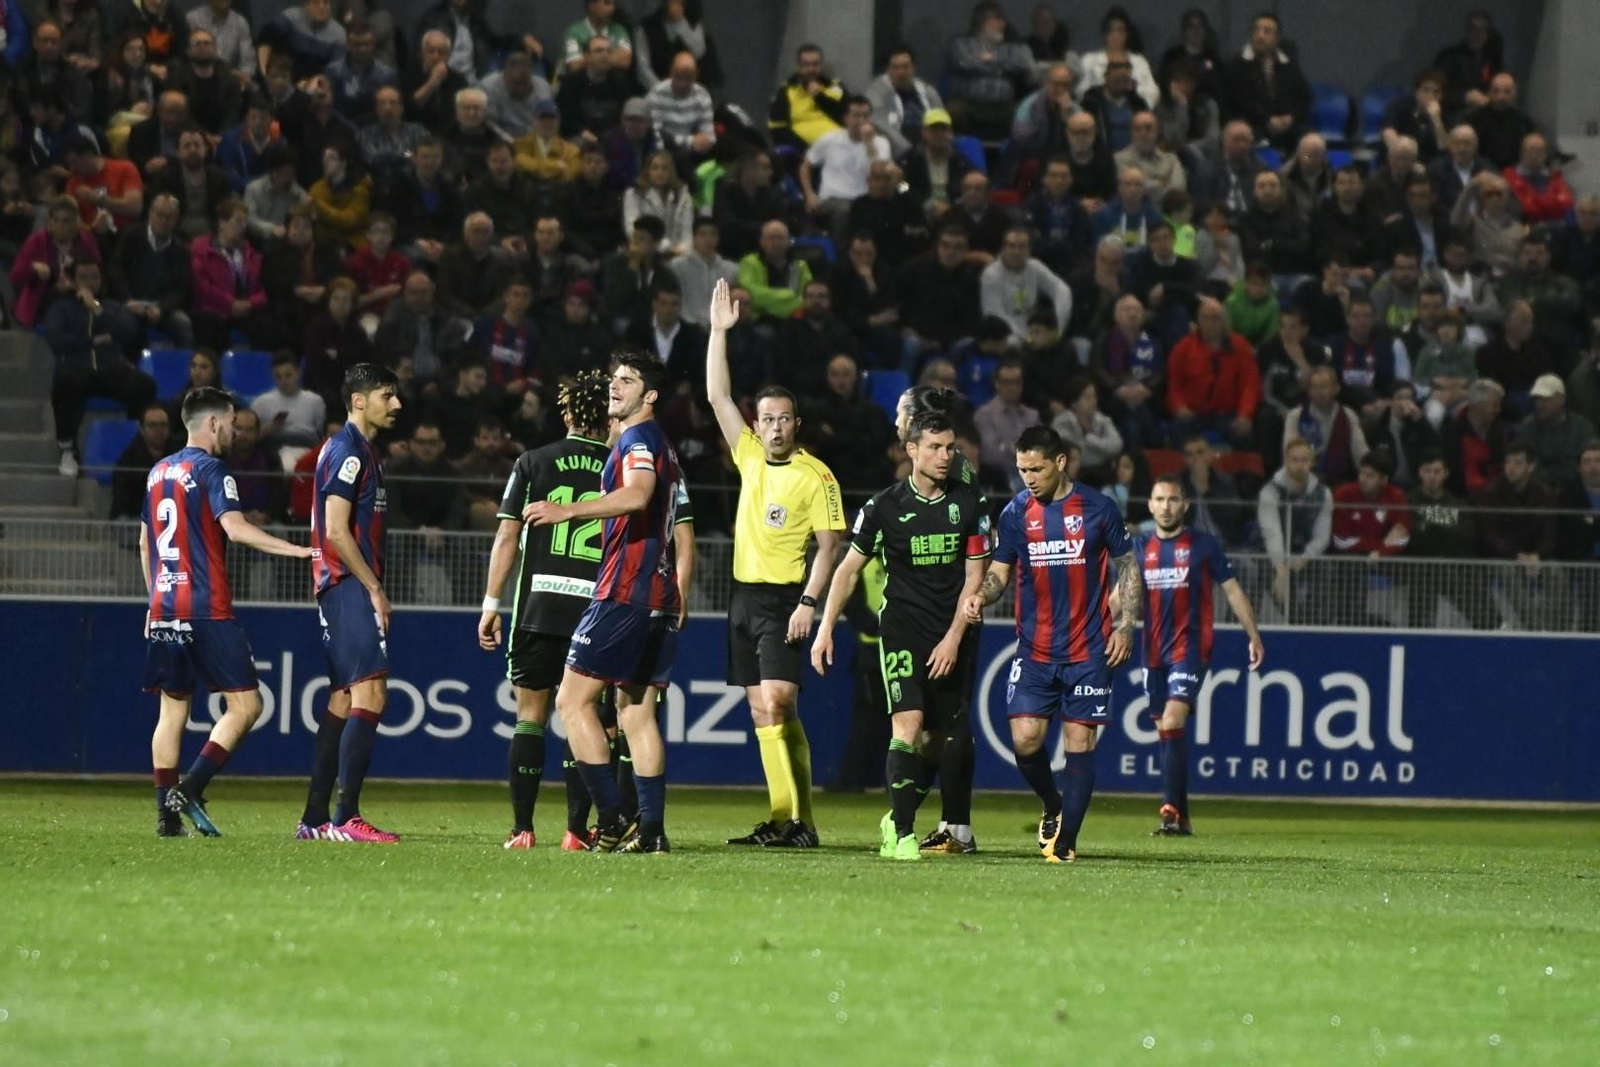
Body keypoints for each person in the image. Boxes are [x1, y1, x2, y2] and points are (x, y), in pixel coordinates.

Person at [700, 281, 845, 847]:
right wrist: (718, 333)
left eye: (785, 419)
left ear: (796, 424)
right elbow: (717, 395)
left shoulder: (817, 476)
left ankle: (796, 822)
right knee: (764, 711)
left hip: (785, 600)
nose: (776, 427)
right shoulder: (750, 456)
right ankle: (789, 819)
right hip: (743, 597)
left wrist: (809, 603)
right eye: (768, 419)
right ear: (756, 425)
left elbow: (830, 546)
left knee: (780, 701)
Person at [522, 351, 685, 854]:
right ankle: (651, 832)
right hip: (658, 594)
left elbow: (637, 495)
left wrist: (567, 510)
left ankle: (612, 820)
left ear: (650, 395)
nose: (616, 386)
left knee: (571, 702)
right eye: (615, 378)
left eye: (628, 380)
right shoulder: (658, 442)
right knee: (635, 713)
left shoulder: (639, 440)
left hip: (624, 591)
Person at [812, 411, 990, 861]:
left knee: (938, 738)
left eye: (950, 447)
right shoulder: (883, 507)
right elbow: (847, 571)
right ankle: (905, 835)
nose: (945, 456)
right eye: (934, 447)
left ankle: (897, 816)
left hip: (950, 633)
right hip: (902, 632)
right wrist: (825, 627)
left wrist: (953, 638)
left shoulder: (969, 503)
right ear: (912, 450)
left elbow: (976, 577)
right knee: (907, 726)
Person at [961, 424, 1138, 863]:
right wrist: (981, 595)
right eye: (1022, 470)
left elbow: (1129, 567)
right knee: (1025, 740)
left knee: (1080, 742)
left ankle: (1067, 842)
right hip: (1035, 650)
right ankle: (1052, 804)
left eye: (1036, 469)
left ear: (1060, 462)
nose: (1028, 478)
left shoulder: (1098, 508)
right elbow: (1001, 571)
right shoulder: (1015, 513)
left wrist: (1126, 625)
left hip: (1089, 648)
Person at [144, 387, 314, 837]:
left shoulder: (158, 472)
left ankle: (166, 818)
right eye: (233, 424)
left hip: (164, 605)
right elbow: (236, 530)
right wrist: (296, 550)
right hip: (205, 605)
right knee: (247, 704)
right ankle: (191, 787)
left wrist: (153, 599)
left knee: (171, 713)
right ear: (214, 423)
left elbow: (146, 543)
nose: (236, 433)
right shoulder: (212, 469)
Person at [478, 382, 632, 847]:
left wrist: (491, 603)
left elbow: (507, 537)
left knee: (530, 716)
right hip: (595, 611)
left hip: (538, 606)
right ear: (608, 418)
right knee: (584, 716)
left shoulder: (532, 461)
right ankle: (575, 831)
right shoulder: (621, 468)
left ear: (566, 416)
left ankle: (522, 829)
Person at [295, 363, 404, 844]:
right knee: (371, 693)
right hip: (347, 582)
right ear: (359, 400)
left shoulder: (355, 450)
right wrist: (373, 588)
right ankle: (346, 817)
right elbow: (337, 530)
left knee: (343, 697)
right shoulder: (349, 452)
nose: (396, 404)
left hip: (339, 582)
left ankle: (315, 818)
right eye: (387, 395)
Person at [1137, 474, 1265, 835]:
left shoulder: (1203, 546)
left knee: (1172, 720)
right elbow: (1121, 596)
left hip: (1191, 647)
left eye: (1173, 500)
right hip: (1152, 651)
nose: (1166, 507)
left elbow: (1233, 591)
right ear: (1150, 505)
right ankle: (1182, 818)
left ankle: (1169, 809)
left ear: (1185, 505)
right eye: (1159, 500)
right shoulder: (1140, 547)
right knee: (1166, 729)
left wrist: (1253, 634)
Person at [1405, 449, 1490, 628]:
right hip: (1419, 566)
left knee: (1459, 575)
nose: (1432, 476)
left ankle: (1489, 624)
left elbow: (1466, 537)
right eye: (1427, 471)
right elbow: (1412, 536)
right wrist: (1445, 529)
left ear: (1446, 474)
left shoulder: (1458, 504)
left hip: (1452, 565)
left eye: (1437, 471)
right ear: (1420, 473)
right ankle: (1422, 631)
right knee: (1429, 573)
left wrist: (1429, 526)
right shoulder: (1408, 502)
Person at [1166, 297, 1260, 449]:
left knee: (1245, 434)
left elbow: (1250, 385)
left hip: (1228, 414)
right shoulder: (1183, 348)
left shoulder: (1241, 346)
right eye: (1206, 318)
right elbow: (1174, 385)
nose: (1211, 323)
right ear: (1198, 320)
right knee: (1177, 429)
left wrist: (1245, 415)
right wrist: (1179, 407)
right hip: (1193, 414)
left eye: (1216, 318)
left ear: (1225, 321)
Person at [1257, 437, 1334, 622]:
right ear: (1286, 460)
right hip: (1273, 554)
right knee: (1267, 571)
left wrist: (1306, 556)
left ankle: (1316, 623)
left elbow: (1322, 536)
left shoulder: (1324, 493)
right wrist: (1280, 568)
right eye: (1295, 459)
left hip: (1304, 554)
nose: (1300, 465)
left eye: (1305, 460)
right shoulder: (1270, 492)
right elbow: (1272, 533)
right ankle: (1296, 621)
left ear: (1312, 462)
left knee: (1326, 568)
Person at [800, 96, 890, 248]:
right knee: (845, 211)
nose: (861, 120)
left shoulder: (881, 143)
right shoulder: (830, 139)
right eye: (856, 115)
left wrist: (869, 144)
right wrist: (809, 194)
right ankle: (840, 258)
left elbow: (880, 173)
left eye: (866, 116)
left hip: (866, 199)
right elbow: (805, 166)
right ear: (846, 118)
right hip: (833, 199)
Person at [944, 3, 1035, 140]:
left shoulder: (1012, 47)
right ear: (982, 22)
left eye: (1003, 20)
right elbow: (964, 62)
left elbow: (1023, 66)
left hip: (1002, 107)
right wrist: (1002, 67)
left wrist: (990, 59)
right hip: (969, 104)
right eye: (997, 19)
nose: (1002, 24)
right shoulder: (961, 43)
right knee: (954, 111)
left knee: (1023, 117)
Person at [1223, 12, 1309, 151]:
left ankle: (1300, 163)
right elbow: (1240, 101)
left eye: (1267, 31)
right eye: (1256, 30)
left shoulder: (1288, 66)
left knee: (1312, 146)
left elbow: (1305, 98)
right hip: (1252, 126)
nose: (1260, 35)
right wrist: (1267, 120)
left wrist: (1290, 117)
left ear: (1277, 37)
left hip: (1287, 128)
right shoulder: (1237, 66)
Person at [980, 226, 1072, 344]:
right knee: (1012, 342)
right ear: (1003, 248)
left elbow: (1062, 290)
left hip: (1036, 333)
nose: (1016, 252)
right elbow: (995, 316)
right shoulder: (991, 275)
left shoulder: (1035, 267)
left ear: (1029, 250)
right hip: (1006, 336)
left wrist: (1057, 330)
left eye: (1022, 247)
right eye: (1011, 246)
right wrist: (1028, 339)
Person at [867, 44, 943, 158]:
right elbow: (879, 123)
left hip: (929, 150)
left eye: (905, 67)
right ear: (888, 70)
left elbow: (941, 120)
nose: (901, 72)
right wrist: (909, 151)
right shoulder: (876, 92)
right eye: (896, 68)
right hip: (896, 154)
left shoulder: (928, 91)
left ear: (913, 68)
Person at [253, 353, 327, 447]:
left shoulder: (315, 401)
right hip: (273, 448)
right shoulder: (261, 403)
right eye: (278, 377)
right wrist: (268, 430)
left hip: (307, 447)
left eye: (288, 375)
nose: (283, 381)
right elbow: (250, 440)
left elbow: (322, 436)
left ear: (298, 373)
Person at [1467, 73, 1535, 171]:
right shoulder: (1474, 118)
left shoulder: (1524, 122)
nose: (1501, 96)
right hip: (1481, 171)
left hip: (1515, 173)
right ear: (1489, 92)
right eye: (1496, 91)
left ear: (1515, 93)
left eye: (1507, 92)